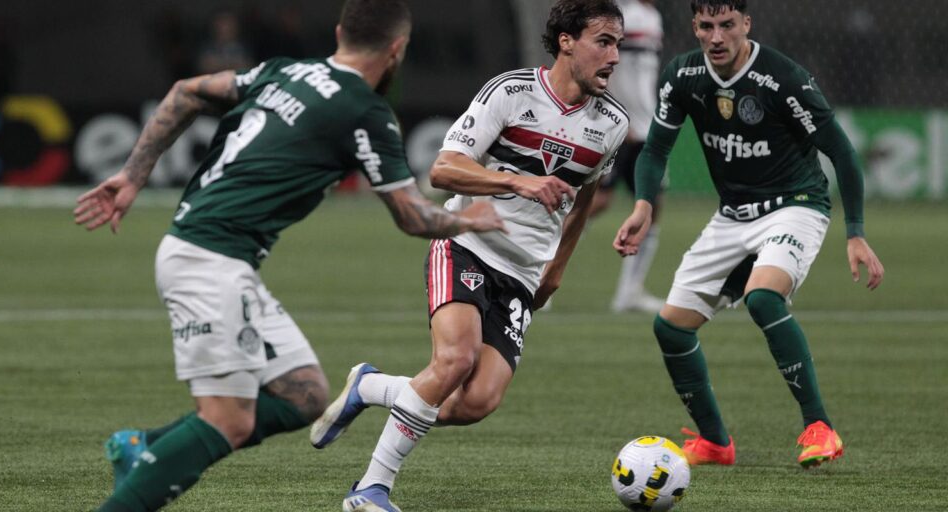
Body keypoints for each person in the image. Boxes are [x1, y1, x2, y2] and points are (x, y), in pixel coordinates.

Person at [73, 1, 504, 510]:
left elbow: (185, 92)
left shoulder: (284, 71)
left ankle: (144, 447)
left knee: (304, 395)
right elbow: (413, 217)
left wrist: (132, 176)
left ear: (341, 32)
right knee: (227, 419)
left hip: (211, 256)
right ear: (397, 50)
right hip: (209, 261)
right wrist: (470, 220)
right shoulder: (363, 111)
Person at [309, 1, 630, 510]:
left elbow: (585, 192)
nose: (615, 55)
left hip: (524, 273)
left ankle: (371, 387)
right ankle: (370, 490)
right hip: (468, 244)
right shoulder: (511, 92)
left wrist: (558, 266)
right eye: (604, 41)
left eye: (618, 43)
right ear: (567, 41)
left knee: (477, 402)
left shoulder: (611, 123)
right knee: (454, 361)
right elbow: (443, 169)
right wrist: (516, 181)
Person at [613, 0, 885, 468]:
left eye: (727, 25)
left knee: (763, 299)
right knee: (671, 329)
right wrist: (642, 205)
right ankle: (716, 442)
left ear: (746, 25)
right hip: (732, 215)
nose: (716, 37)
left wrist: (855, 232)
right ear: (693, 27)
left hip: (795, 206)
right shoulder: (683, 76)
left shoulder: (784, 78)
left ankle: (820, 429)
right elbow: (655, 149)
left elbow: (841, 152)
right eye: (706, 26)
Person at [589, 0, 666, 313]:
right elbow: (606, 63)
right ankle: (540, 269)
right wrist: (621, 115)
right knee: (595, 201)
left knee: (651, 206)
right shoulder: (626, 15)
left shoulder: (651, 16)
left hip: (645, 126)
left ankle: (629, 292)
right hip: (620, 126)